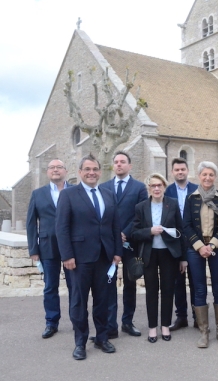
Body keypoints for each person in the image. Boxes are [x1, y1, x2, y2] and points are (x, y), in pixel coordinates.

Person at [56, 153, 122, 360]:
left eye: (95, 169)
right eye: (87, 169)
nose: (91, 173)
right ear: (80, 172)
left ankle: (102, 337)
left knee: (103, 301)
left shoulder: (108, 194)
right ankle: (80, 342)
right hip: (79, 259)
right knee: (79, 302)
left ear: (100, 172)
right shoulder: (68, 195)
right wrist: (67, 255)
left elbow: (114, 225)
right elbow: (62, 228)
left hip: (105, 257)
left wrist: (118, 252)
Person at [131, 173, 187, 343]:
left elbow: (181, 231)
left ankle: (165, 325)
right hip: (149, 253)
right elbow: (134, 233)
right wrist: (149, 231)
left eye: (159, 185)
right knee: (151, 291)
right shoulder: (141, 207)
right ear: (149, 188)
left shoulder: (173, 204)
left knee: (168, 289)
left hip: (168, 253)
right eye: (153, 185)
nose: (156, 188)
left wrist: (183, 258)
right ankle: (152, 327)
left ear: (164, 187)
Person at [98, 151, 147, 339]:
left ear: (130, 166)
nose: (119, 164)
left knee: (130, 284)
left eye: (123, 162)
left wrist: (124, 233)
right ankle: (110, 325)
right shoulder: (104, 187)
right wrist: (113, 235)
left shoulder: (139, 188)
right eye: (116, 162)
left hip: (130, 243)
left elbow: (140, 215)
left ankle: (127, 321)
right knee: (108, 284)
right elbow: (101, 214)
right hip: (109, 245)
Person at [183, 161, 218, 348]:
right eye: (204, 174)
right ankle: (204, 332)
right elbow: (186, 224)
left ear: (215, 177)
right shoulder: (191, 198)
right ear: (199, 176)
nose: (208, 178)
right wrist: (199, 246)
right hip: (195, 248)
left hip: (216, 247)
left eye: (211, 175)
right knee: (199, 289)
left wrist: (212, 244)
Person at [26, 159, 73, 339]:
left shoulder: (74, 191)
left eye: (59, 167)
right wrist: (33, 250)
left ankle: (77, 320)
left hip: (71, 246)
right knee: (50, 287)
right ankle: (51, 322)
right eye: (52, 167)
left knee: (74, 286)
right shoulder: (38, 194)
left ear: (65, 171)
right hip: (47, 247)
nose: (55, 170)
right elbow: (31, 224)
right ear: (47, 172)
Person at [165, 158, 199, 331]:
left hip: (193, 240)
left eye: (183, 169)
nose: (180, 172)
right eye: (177, 170)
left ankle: (197, 316)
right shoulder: (167, 191)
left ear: (187, 171)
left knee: (195, 281)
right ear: (172, 172)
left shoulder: (197, 190)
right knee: (178, 281)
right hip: (174, 242)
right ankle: (181, 317)